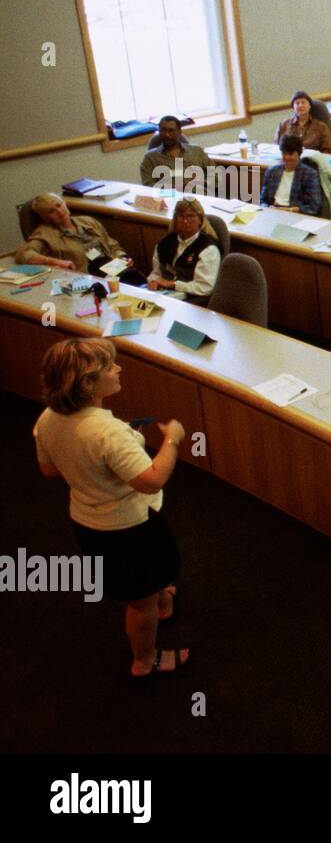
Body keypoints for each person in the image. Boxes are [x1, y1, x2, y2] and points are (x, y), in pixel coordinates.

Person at [34, 338, 189, 677]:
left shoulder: (47, 419)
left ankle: (162, 600)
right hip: (129, 528)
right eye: (109, 367)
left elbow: (49, 468)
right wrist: (173, 440)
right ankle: (144, 661)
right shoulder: (107, 432)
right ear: (88, 384)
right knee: (139, 601)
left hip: (89, 523)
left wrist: (89, 464)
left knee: (151, 577)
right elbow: (151, 479)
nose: (118, 369)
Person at [17, 194, 146, 285]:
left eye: (59, 205)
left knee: (135, 278)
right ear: (45, 218)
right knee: (131, 280)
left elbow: (112, 245)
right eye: (52, 211)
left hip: (113, 267)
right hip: (88, 276)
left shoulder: (88, 221)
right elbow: (24, 254)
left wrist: (122, 257)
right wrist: (56, 262)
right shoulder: (45, 233)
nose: (60, 211)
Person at [146, 196, 222, 303]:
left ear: (200, 219)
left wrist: (173, 285)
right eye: (181, 216)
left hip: (193, 300)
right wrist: (153, 281)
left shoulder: (208, 249)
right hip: (164, 294)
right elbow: (156, 272)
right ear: (176, 219)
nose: (186, 221)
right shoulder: (164, 243)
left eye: (190, 216)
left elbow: (204, 288)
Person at [139, 115, 213, 189]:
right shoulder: (150, 158)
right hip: (171, 198)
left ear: (179, 132)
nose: (167, 135)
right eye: (163, 130)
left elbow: (216, 176)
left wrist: (203, 182)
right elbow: (149, 187)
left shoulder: (196, 151)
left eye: (171, 131)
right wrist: (179, 187)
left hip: (201, 196)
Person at [259, 134, 323, 215]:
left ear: (299, 154)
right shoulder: (272, 171)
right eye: (284, 153)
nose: (287, 157)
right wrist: (266, 208)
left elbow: (314, 207)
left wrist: (290, 210)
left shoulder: (310, 175)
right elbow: (262, 200)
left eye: (290, 154)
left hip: (294, 214)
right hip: (272, 212)